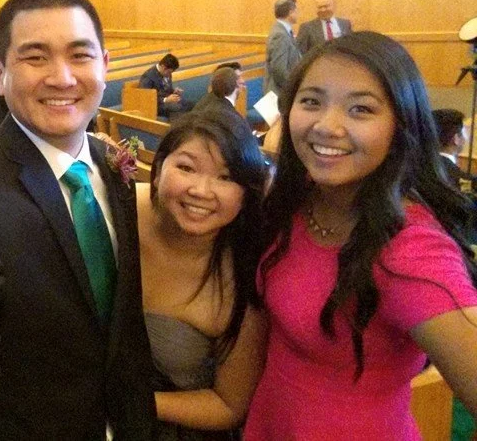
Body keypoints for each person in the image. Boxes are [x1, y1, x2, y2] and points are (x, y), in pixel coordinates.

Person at [0, 0, 155, 440]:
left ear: (104, 65)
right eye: (36, 57)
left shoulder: (111, 164)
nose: (62, 78)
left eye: (80, 55)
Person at [246, 31, 477, 439]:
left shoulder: (410, 250)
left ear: (400, 125)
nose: (326, 126)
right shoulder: (296, 200)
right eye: (311, 101)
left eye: (360, 109)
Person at [139, 111, 268, 439]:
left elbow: (229, 406)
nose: (201, 190)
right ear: (159, 169)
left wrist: (132, 403)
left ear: (246, 193)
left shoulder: (244, 277)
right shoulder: (118, 211)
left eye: (225, 178)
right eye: (186, 168)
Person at [264, 0, 302, 108]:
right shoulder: (280, 35)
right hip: (279, 94)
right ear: (291, 12)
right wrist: (294, 88)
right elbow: (279, 69)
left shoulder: (284, 31)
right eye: (296, 11)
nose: (298, 14)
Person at [432, 108, 476, 191]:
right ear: (456, 139)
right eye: (464, 132)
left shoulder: (415, 168)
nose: (466, 138)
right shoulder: (461, 180)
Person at [140, 53, 192, 117]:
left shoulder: (166, 73)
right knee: (178, 107)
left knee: (190, 104)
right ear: (163, 67)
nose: (170, 74)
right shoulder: (148, 77)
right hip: (157, 105)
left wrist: (173, 91)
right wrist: (165, 100)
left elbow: (165, 88)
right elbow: (145, 98)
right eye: (169, 72)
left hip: (167, 100)